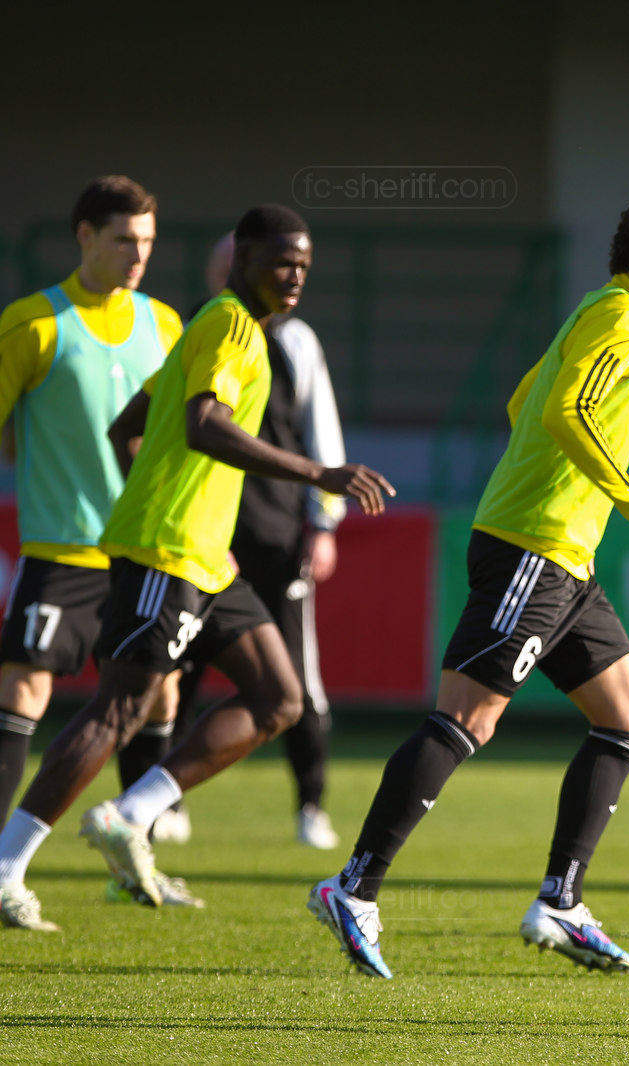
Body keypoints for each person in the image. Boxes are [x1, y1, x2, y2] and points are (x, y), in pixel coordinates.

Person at [307, 190, 629, 980]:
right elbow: (563, 409)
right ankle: (353, 888)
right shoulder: (625, 319)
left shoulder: (598, 309)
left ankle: (561, 902)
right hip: (535, 547)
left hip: (564, 555)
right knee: (466, 719)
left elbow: (523, 399)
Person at [0, 204, 392, 932]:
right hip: (167, 551)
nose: (295, 275)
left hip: (206, 557)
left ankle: (131, 813)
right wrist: (316, 473)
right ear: (242, 259)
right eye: (282, 261)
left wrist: (167, 496)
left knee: (280, 698)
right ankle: (5, 867)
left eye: (305, 265)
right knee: (118, 709)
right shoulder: (229, 324)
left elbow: (128, 428)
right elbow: (204, 424)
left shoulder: (229, 330)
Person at [0, 178, 186, 846]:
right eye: (124, 240)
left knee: (159, 694)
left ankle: (137, 862)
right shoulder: (33, 323)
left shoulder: (166, 325)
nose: (139, 255)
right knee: (21, 688)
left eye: (148, 241)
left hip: (144, 549)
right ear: (85, 236)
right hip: (62, 547)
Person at [161, 233, 349, 850]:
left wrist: (323, 522)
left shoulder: (296, 342)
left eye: (298, 267)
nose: (288, 277)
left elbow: (321, 433)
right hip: (199, 536)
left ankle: (311, 805)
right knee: (177, 671)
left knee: (296, 678)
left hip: (277, 538)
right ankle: (163, 801)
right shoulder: (198, 329)